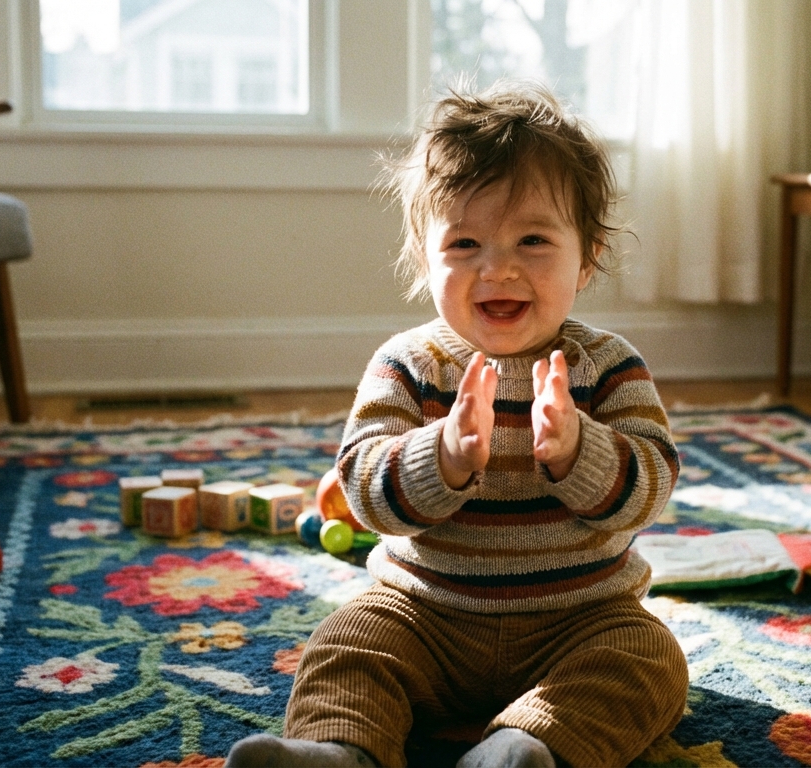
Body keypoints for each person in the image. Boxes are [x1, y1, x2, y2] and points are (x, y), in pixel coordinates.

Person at [227, 82, 687, 768]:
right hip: (425, 617)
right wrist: (437, 458)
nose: (497, 267)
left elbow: (652, 487)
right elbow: (363, 490)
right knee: (345, 642)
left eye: (533, 240)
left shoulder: (609, 366)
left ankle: (525, 748)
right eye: (465, 242)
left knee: (652, 659)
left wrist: (579, 450)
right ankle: (339, 752)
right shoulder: (407, 365)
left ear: (586, 256)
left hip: (579, 623)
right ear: (425, 257)